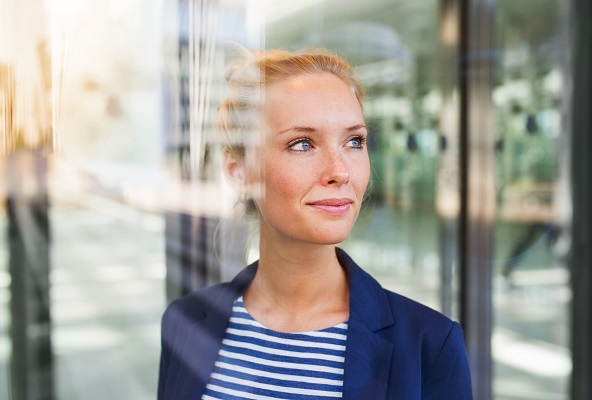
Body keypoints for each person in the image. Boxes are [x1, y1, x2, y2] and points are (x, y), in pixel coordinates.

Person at [158, 49, 472, 399]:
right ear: (239, 171)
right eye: (302, 144)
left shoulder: (429, 346)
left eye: (355, 141)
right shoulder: (185, 322)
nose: (340, 171)